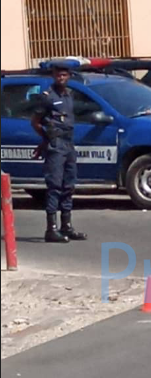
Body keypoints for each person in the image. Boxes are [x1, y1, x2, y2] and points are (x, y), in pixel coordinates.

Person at [30, 62, 88, 243]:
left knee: (68, 185)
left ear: (68, 76)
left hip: (69, 143)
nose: (60, 78)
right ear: (53, 76)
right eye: (57, 75)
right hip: (56, 144)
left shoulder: (69, 95)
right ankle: (51, 229)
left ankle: (66, 226)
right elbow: (35, 122)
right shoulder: (47, 97)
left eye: (63, 75)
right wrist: (47, 138)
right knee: (54, 185)